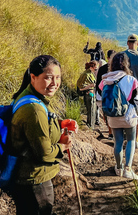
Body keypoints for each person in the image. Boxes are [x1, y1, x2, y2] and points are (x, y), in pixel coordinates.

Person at [8, 55, 75, 215]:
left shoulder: (29, 97)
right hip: (34, 180)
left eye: (58, 78)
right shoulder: (34, 108)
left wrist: (60, 124)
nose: (54, 83)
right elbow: (44, 154)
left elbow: (36, 128)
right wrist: (64, 145)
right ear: (33, 77)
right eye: (48, 78)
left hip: (26, 178)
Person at [99, 52, 138, 180]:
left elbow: (100, 99)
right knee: (131, 140)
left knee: (118, 142)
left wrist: (105, 113)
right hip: (129, 117)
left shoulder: (105, 81)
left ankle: (118, 168)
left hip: (112, 117)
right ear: (126, 64)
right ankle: (128, 169)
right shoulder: (131, 80)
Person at [96, 49, 117, 139]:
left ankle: (110, 133)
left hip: (104, 94)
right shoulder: (118, 69)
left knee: (107, 114)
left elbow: (98, 83)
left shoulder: (102, 69)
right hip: (115, 95)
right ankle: (113, 133)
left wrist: (101, 94)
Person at [77, 60, 99, 128]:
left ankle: (91, 125)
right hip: (88, 93)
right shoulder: (86, 74)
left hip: (92, 93)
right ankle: (90, 126)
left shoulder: (90, 73)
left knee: (93, 109)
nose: (96, 70)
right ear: (92, 67)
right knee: (90, 110)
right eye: (95, 68)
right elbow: (80, 87)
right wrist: (90, 86)